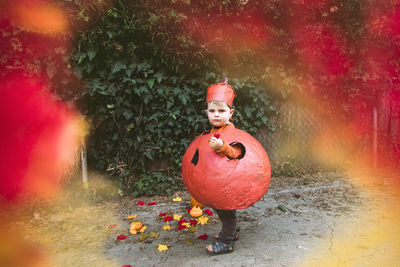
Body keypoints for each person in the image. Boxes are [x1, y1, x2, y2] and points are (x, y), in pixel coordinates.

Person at [203, 78, 243, 255]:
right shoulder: (210, 132)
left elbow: (236, 152)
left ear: (231, 113)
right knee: (221, 210)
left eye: (221, 110)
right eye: (212, 111)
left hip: (228, 182)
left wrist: (223, 148)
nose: (216, 114)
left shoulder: (231, 132)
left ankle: (226, 242)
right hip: (217, 182)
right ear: (207, 113)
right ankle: (230, 232)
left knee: (227, 212)